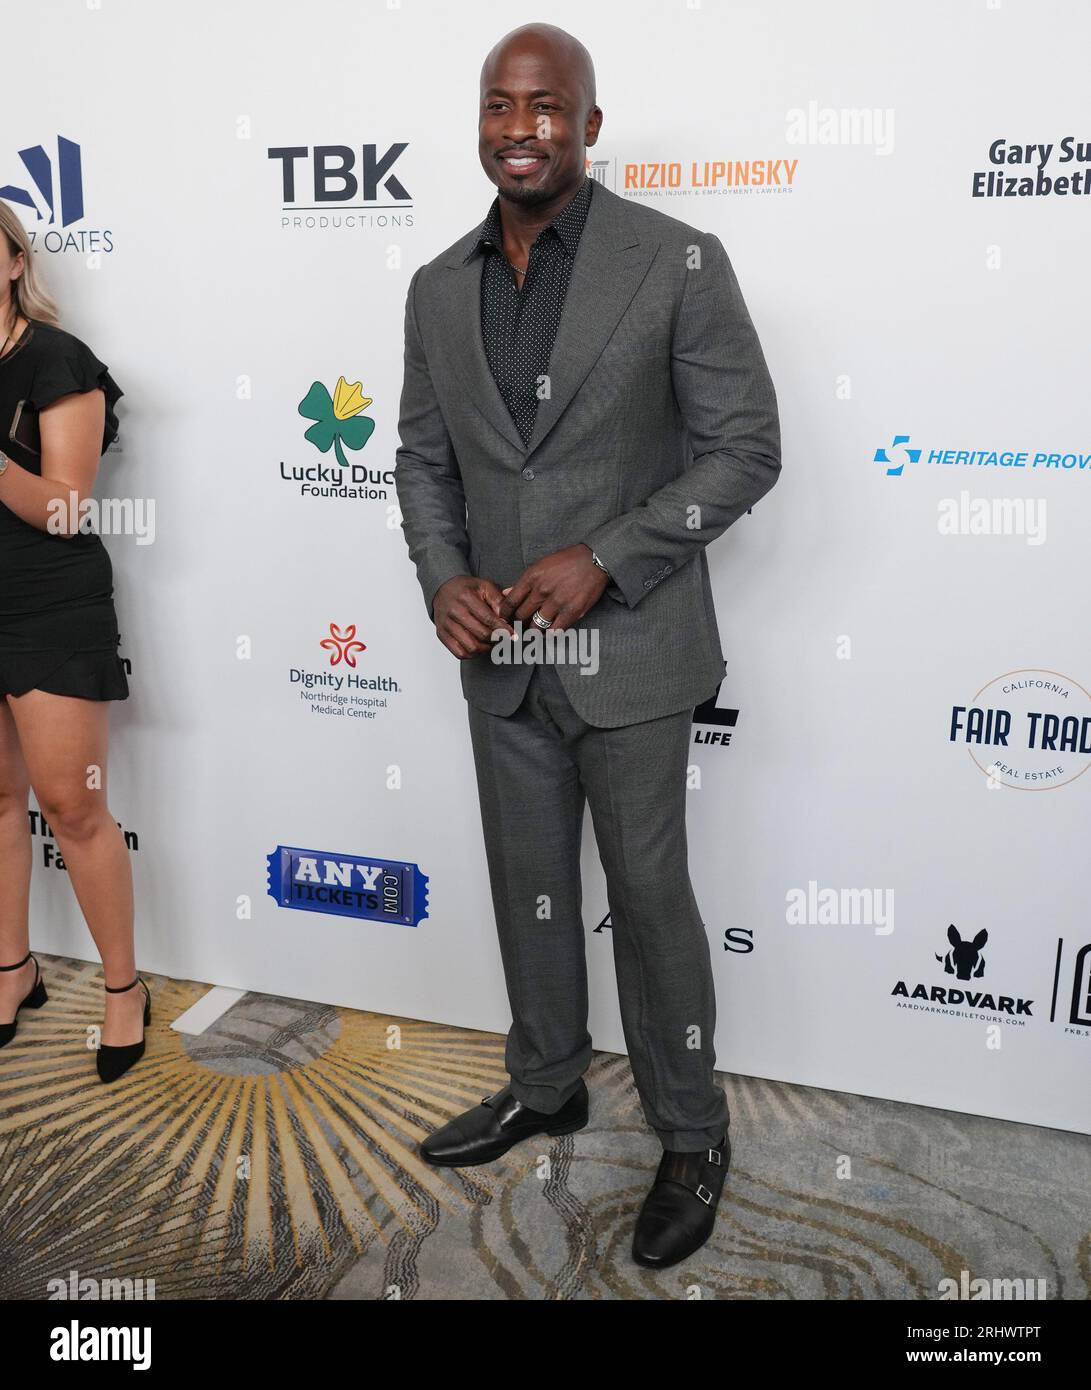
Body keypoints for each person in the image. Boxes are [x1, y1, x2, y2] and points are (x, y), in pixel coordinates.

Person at [395, 23, 780, 1267]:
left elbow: (744, 449)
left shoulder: (674, 259)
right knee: (528, 885)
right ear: (479, 124)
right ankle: (546, 1079)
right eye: (501, 105)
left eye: (547, 106)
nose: (523, 126)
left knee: (651, 898)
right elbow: (422, 459)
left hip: (633, 650)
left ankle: (689, 1129)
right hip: (501, 660)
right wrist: (442, 576)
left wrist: (608, 553)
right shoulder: (435, 287)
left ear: (589, 125)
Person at [0, 200, 149, 1083]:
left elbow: (66, 509)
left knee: (74, 807)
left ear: (14, 263)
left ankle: (124, 989)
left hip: (50, 607)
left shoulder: (57, 360)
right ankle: (12, 969)